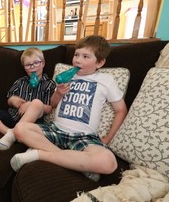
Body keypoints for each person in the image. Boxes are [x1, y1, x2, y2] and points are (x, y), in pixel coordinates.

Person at [10, 35, 128, 182]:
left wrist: (108, 138)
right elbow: (52, 104)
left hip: (84, 136)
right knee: (20, 128)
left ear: (100, 62)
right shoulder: (65, 76)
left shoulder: (105, 80)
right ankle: (72, 162)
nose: (78, 60)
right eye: (76, 55)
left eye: (86, 56)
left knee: (109, 162)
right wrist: (59, 92)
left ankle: (39, 154)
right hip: (56, 130)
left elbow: (121, 110)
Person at [0, 47, 56, 150]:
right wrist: (13, 100)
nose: (32, 67)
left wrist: (30, 105)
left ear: (43, 63)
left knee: (37, 103)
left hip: (33, 121)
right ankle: (10, 132)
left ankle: (14, 134)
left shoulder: (49, 84)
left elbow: (49, 108)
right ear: (24, 67)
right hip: (13, 116)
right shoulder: (20, 81)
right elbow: (10, 98)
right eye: (28, 65)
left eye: (36, 63)